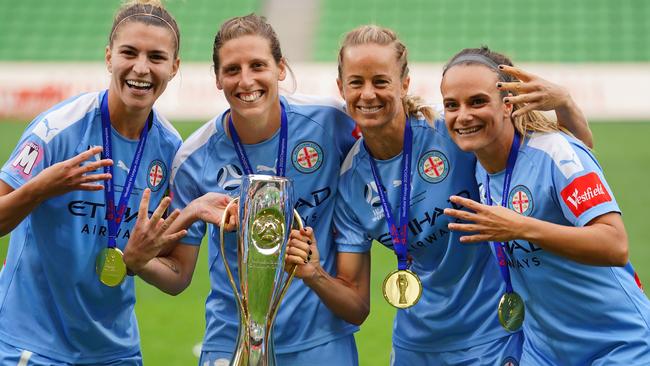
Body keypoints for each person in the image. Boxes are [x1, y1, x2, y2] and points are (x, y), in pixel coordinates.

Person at [286, 26, 593, 365]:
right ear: (341, 88)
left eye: (381, 81)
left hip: (494, 335)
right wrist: (314, 273)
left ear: (404, 84)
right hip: (415, 347)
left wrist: (564, 102)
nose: (368, 94)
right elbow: (356, 307)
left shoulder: (454, 129)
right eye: (356, 82)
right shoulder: (349, 181)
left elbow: (567, 161)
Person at [159, 14, 360, 366]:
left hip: (320, 342)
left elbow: (391, 133)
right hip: (231, 341)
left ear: (280, 68)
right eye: (232, 69)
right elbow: (177, 277)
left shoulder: (333, 123)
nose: (246, 80)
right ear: (218, 79)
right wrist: (136, 256)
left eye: (258, 65)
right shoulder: (193, 158)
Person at [0, 1, 186, 364]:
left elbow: (177, 278)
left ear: (174, 67)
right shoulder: (57, 130)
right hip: (33, 344)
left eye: (157, 57)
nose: (141, 68)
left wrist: (140, 261)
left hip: (115, 351)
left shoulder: (172, 151)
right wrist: (42, 187)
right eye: (129, 53)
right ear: (108, 57)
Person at [441, 46, 650, 365]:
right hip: (545, 351)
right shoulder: (480, 165)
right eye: (451, 105)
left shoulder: (555, 151)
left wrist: (520, 227)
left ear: (507, 104)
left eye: (478, 102)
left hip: (617, 343)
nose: (463, 115)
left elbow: (615, 243)